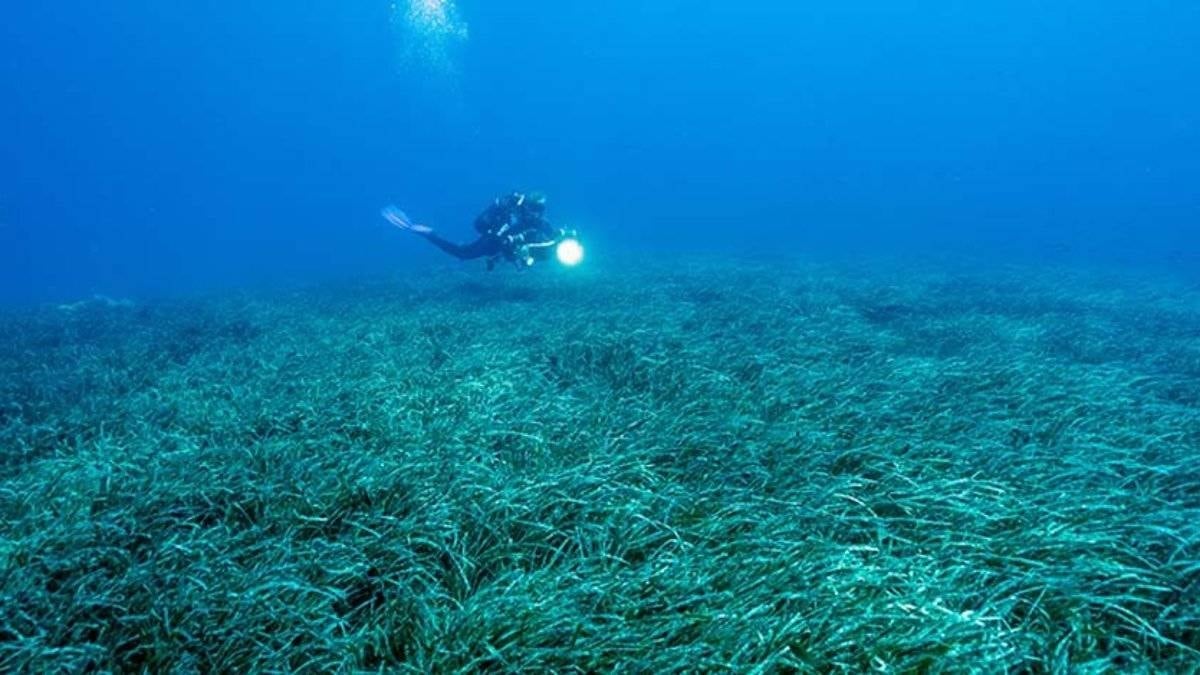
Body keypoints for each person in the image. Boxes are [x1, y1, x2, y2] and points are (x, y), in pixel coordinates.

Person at [383, 192, 570, 270]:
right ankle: (428, 233)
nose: (536, 213)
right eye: (533, 208)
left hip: (508, 246)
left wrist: (566, 236)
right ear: (527, 205)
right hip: (494, 240)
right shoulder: (512, 214)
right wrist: (509, 244)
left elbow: (551, 235)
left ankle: (497, 258)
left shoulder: (539, 221)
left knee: (535, 253)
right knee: (463, 253)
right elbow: (500, 235)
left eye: (540, 209)